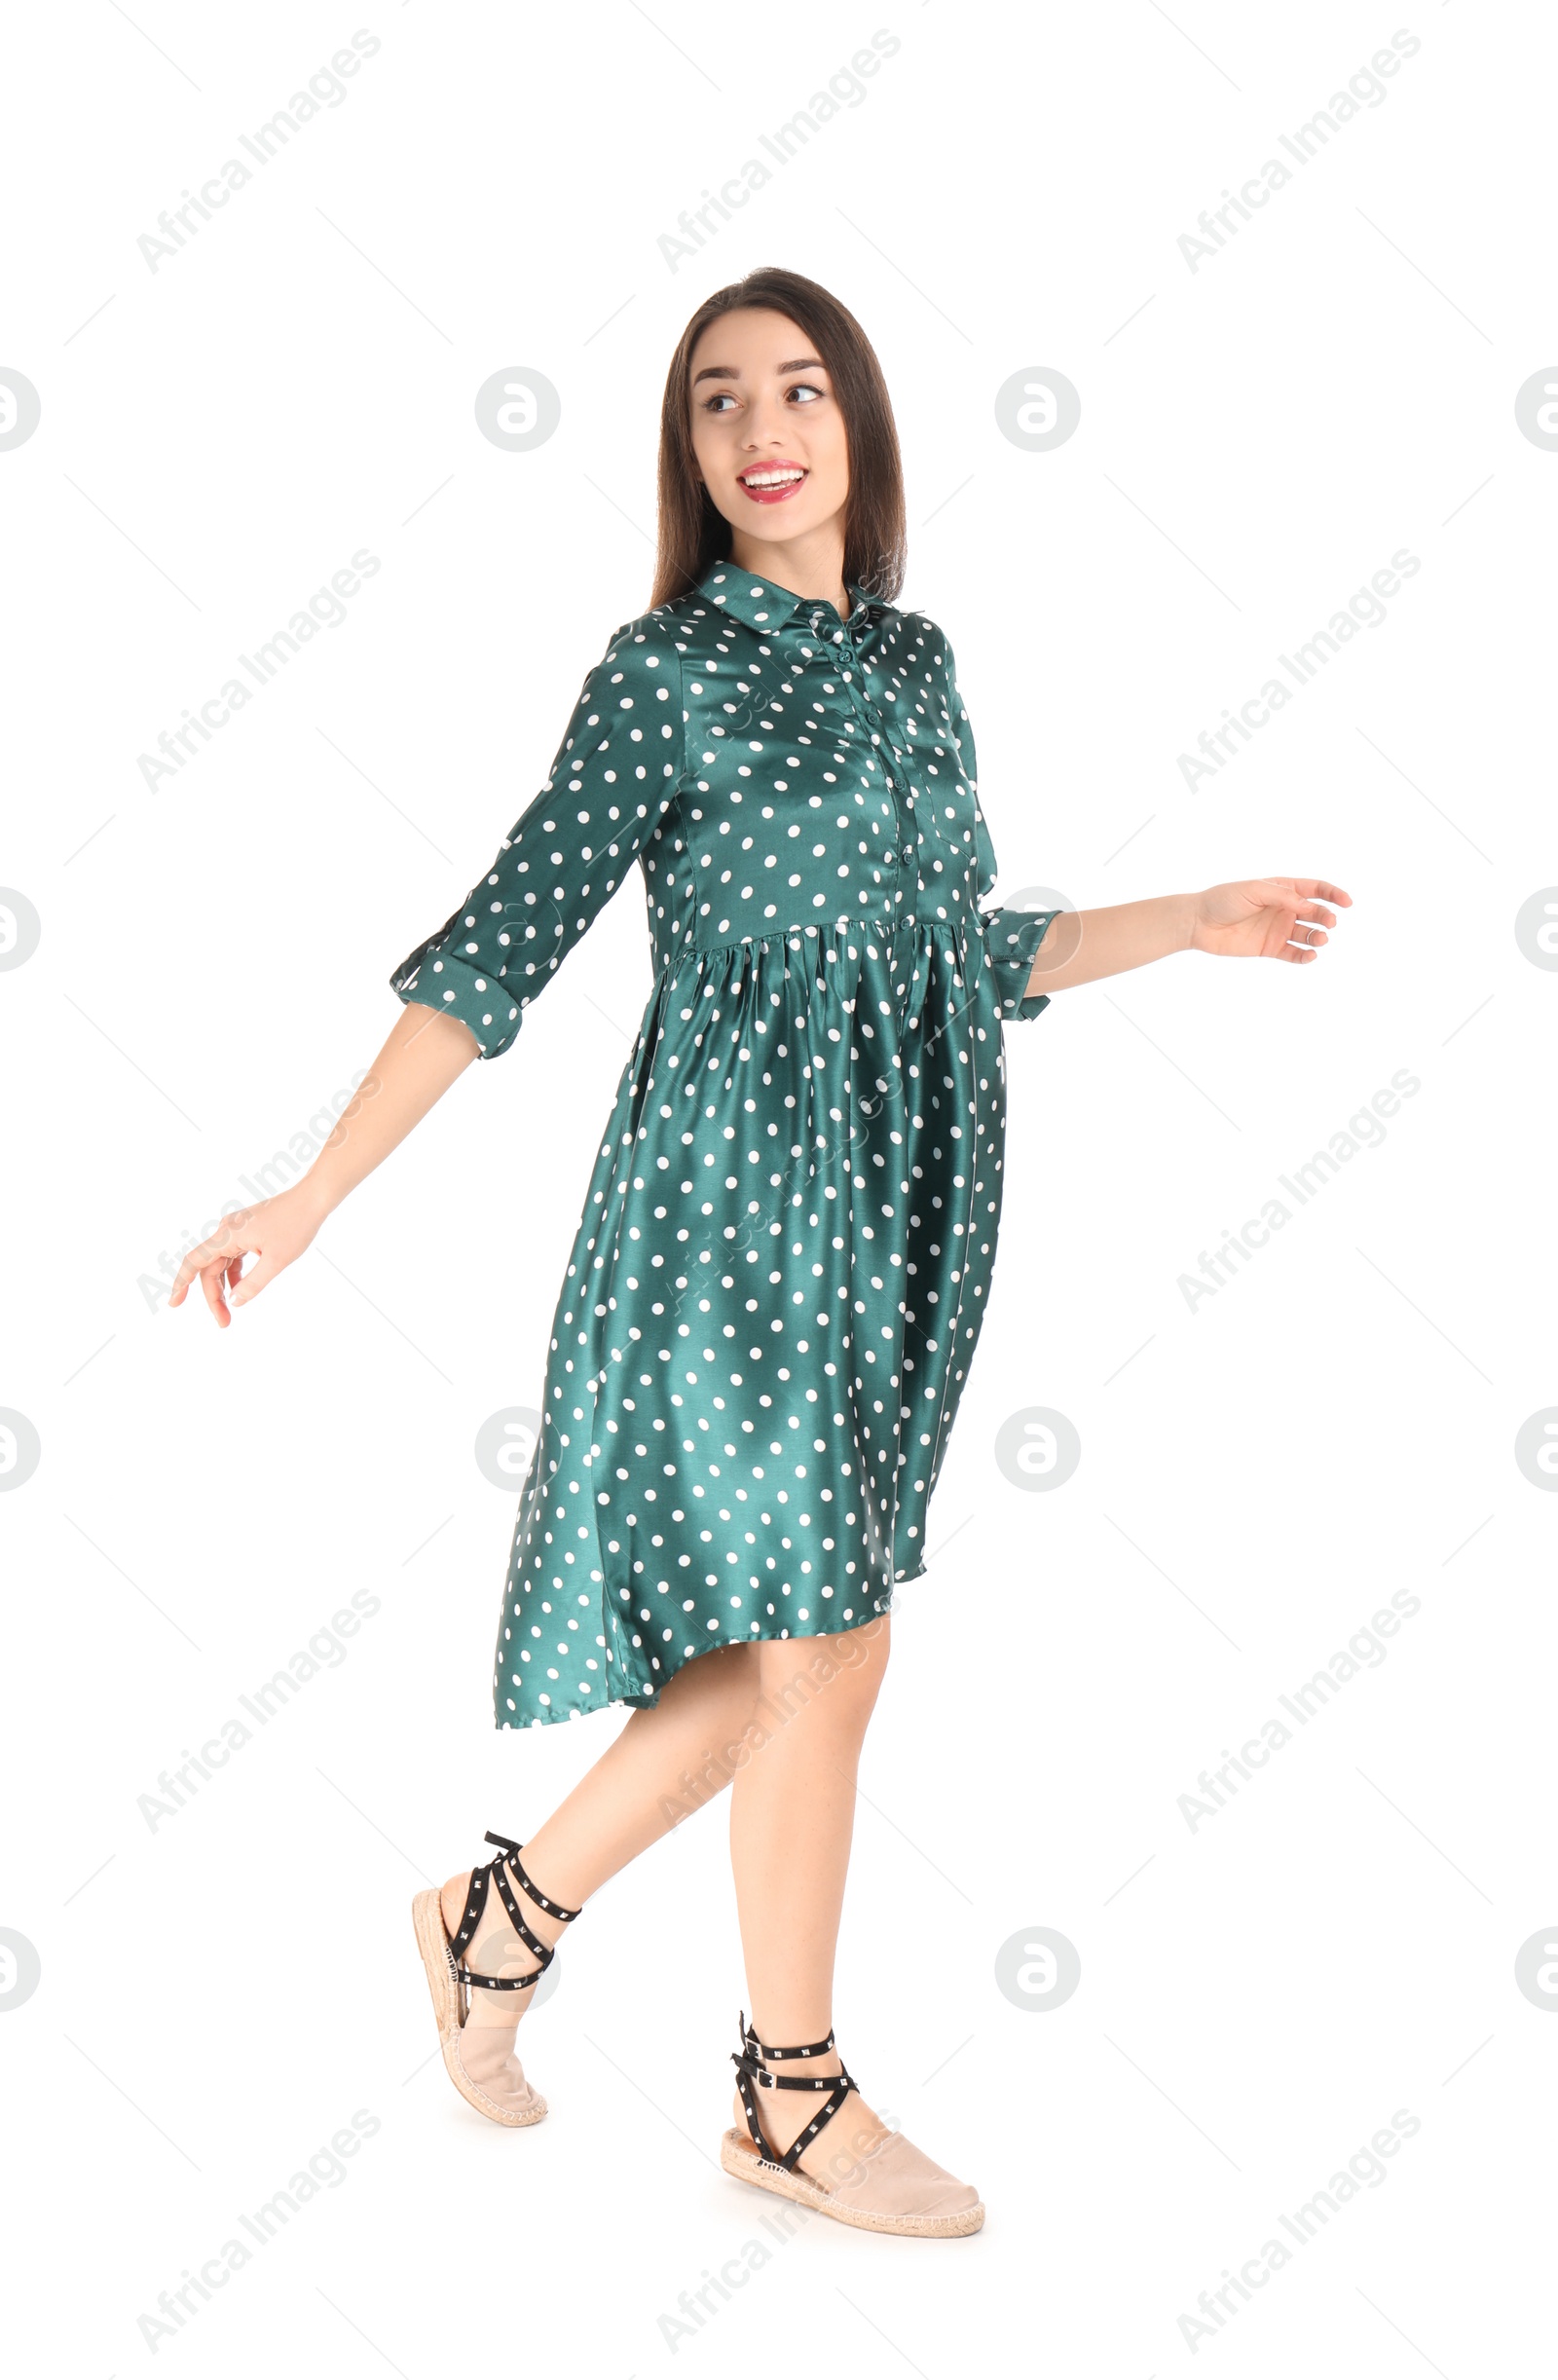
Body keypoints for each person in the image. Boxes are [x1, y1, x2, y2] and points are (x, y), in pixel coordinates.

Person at [169, 265, 1349, 2238]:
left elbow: (952, 961)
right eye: (717, 402)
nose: (760, 426)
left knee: (795, 1644)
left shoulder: (913, 667)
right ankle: (786, 2094)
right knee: (832, 1638)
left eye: (797, 390)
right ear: (689, 453)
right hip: (727, 1200)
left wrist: (1186, 914)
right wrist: (310, 1193)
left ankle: (495, 1920)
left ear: (860, 432)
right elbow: (498, 949)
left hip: (903, 1196)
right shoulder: (665, 675)